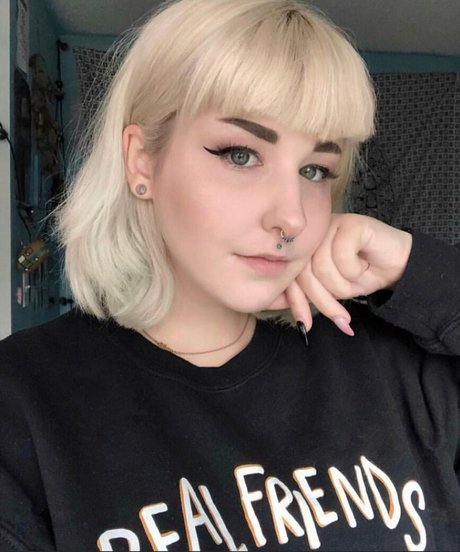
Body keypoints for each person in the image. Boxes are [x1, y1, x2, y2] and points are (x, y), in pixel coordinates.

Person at [0, 0, 458, 550]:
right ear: (142, 160)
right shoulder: (24, 402)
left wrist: (415, 266)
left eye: (316, 169)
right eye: (240, 155)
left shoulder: (393, 362)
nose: (291, 216)